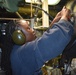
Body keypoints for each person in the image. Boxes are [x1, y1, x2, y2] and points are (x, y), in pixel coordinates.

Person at [0, 6, 74, 75]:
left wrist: (55, 21)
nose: (33, 30)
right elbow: (52, 42)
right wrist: (64, 18)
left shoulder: (17, 51)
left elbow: (41, 41)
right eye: (28, 28)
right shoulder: (23, 53)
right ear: (19, 36)